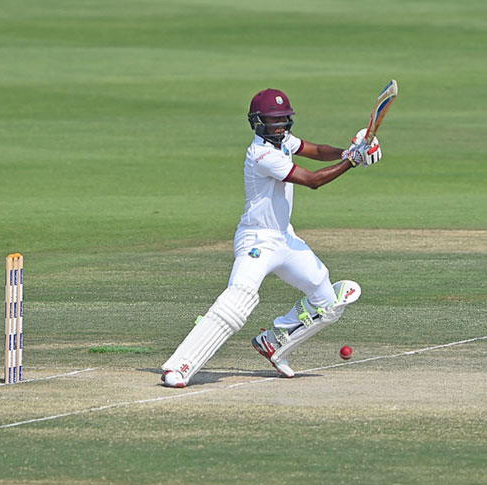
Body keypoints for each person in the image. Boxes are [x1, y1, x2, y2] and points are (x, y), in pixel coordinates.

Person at [161, 88, 381, 387]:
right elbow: (313, 181)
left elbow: (314, 150)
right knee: (239, 300)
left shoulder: (283, 140)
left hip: (284, 239)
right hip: (256, 241)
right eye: (271, 121)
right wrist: (353, 162)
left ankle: (274, 341)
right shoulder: (261, 153)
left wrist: (347, 151)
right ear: (257, 122)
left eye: (282, 120)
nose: (278, 126)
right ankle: (180, 366)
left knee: (326, 302)